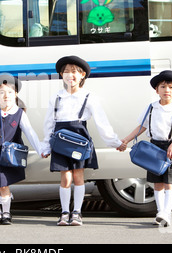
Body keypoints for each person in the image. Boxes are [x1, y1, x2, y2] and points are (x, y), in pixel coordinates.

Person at [42, 55, 125, 226]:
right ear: (61, 75)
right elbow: (49, 123)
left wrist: (115, 142)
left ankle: (77, 213)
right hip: (60, 140)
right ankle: (65, 212)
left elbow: (102, 121)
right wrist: (45, 146)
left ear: (82, 76)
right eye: (66, 72)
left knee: (79, 176)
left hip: (79, 139)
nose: (70, 75)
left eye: (74, 72)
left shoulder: (89, 97)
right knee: (65, 178)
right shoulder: (56, 97)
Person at [121, 70, 172, 227]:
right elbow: (141, 127)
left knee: (169, 183)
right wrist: (126, 140)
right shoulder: (151, 108)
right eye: (163, 86)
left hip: (171, 148)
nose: (167, 90)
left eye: (171, 87)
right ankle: (160, 212)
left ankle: (167, 212)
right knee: (157, 183)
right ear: (156, 90)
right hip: (154, 147)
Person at [0, 75, 43, 224]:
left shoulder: (19, 114)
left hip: (9, 156)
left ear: (15, 95)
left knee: (3, 184)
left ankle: (6, 213)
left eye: (9, 92)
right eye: (1, 92)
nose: (6, 96)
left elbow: (30, 132)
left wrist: (40, 150)